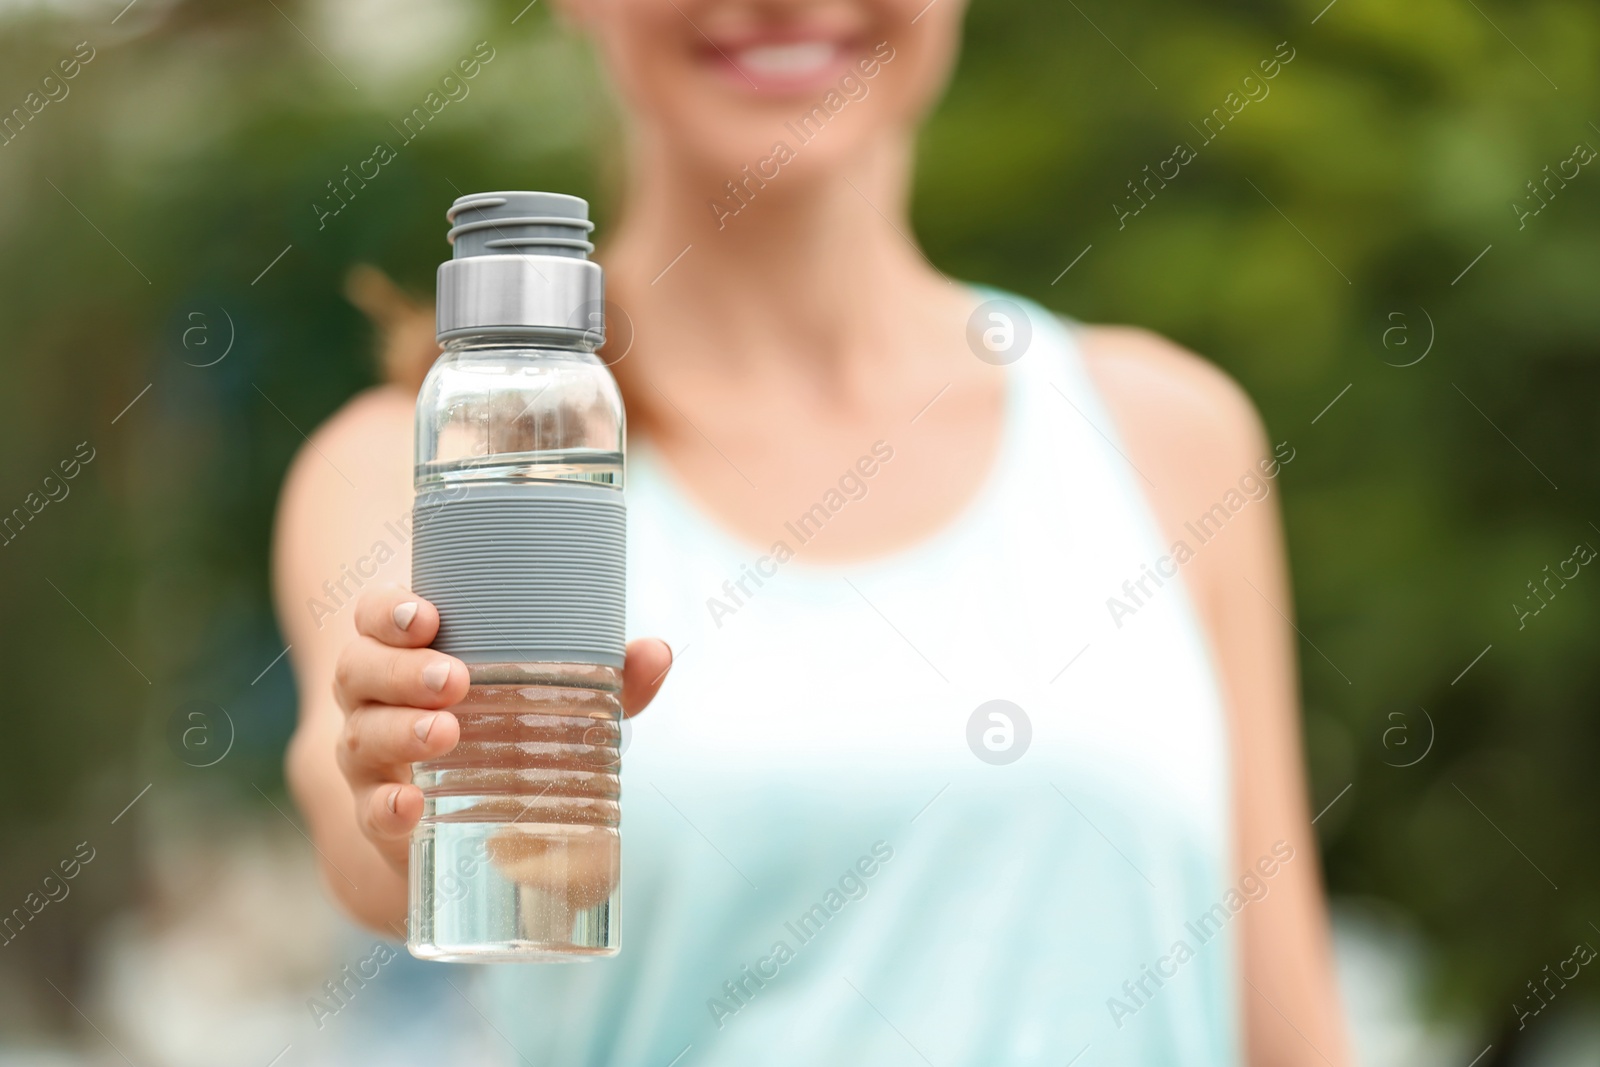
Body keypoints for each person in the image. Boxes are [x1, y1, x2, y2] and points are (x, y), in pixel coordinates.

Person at [273, 1, 1350, 1062]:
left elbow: (1284, 1025)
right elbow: (362, 811)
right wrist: (405, 794)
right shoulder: (443, 454)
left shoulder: (1166, 435)